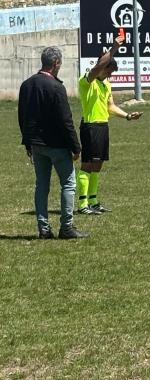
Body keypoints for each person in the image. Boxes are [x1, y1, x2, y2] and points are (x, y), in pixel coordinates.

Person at [18, 47, 88, 240]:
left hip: (36, 145)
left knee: (41, 185)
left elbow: (22, 116)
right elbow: (66, 121)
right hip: (57, 145)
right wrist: (76, 147)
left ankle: (43, 228)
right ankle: (66, 227)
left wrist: (28, 143)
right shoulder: (56, 87)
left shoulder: (27, 85)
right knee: (68, 183)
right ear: (56, 63)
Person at [76, 34, 142, 214]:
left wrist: (128, 116)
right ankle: (82, 205)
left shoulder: (106, 84)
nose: (111, 74)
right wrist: (114, 48)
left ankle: (94, 201)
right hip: (90, 126)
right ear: (103, 67)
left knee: (98, 165)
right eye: (110, 70)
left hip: (102, 126)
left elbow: (110, 107)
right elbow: (97, 67)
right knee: (87, 165)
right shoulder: (86, 81)